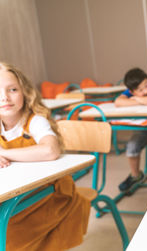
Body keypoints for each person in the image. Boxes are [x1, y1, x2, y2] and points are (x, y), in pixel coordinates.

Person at [0, 62, 91, 250]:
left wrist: (3, 152)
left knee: (11, 237)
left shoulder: (35, 121)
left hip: (49, 196)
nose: (4, 98)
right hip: (18, 194)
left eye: (13, 89)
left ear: (25, 92)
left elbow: (50, 151)